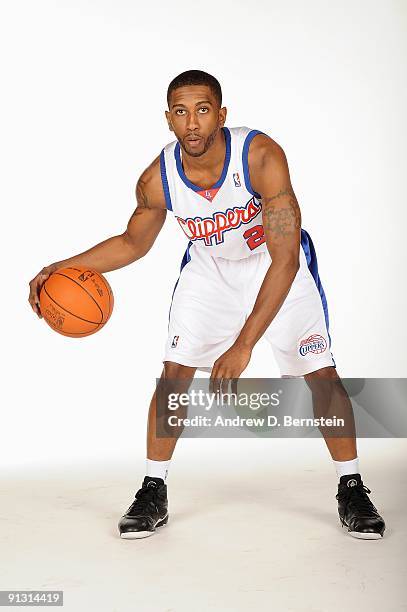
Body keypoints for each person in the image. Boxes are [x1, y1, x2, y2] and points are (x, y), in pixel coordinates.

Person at [28, 69, 385, 540]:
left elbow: (285, 260)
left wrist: (243, 346)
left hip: (274, 263)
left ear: (221, 114)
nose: (192, 123)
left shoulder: (260, 156)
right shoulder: (157, 180)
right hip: (211, 270)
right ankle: (153, 489)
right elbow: (134, 242)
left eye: (201, 110)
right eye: (181, 112)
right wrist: (59, 266)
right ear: (168, 120)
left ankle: (352, 486)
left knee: (321, 373)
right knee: (175, 373)